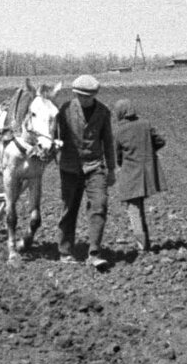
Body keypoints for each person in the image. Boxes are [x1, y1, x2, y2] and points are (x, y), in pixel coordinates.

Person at [55, 74, 116, 268]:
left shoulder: (103, 112)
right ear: (75, 94)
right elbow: (55, 136)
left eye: (87, 97)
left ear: (94, 95)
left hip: (94, 166)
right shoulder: (65, 110)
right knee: (69, 209)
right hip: (70, 167)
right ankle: (65, 251)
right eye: (80, 96)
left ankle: (95, 253)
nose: (83, 100)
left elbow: (108, 142)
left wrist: (112, 169)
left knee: (99, 205)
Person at [112, 98, 166, 253]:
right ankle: (145, 243)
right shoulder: (145, 124)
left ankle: (142, 246)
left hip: (130, 174)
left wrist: (123, 162)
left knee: (134, 210)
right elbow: (161, 141)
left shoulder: (119, 130)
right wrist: (149, 150)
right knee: (139, 207)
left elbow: (118, 156)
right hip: (147, 174)